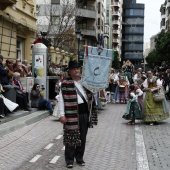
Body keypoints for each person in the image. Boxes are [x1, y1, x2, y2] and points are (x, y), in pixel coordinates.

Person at [59, 60, 92, 168]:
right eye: (74, 69)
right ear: (69, 71)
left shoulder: (85, 82)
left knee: (82, 137)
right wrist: (62, 114)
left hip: (84, 112)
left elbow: (91, 96)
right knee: (70, 137)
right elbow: (61, 100)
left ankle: (79, 158)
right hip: (71, 113)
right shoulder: (65, 84)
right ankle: (69, 160)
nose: (76, 70)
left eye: (78, 68)